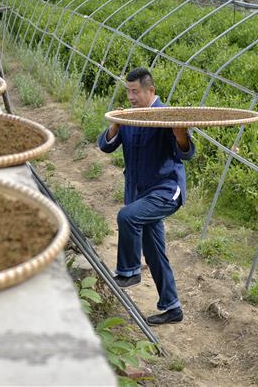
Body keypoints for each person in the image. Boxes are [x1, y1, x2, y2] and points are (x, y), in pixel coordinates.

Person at [97, 67, 195, 325]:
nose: (130, 96)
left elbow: (186, 153)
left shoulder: (166, 116)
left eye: (135, 91)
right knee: (154, 250)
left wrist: (180, 134)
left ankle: (129, 272)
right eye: (128, 91)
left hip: (165, 190)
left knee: (127, 216)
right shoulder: (129, 117)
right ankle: (172, 307)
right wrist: (116, 124)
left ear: (150, 90)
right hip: (139, 193)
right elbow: (105, 145)